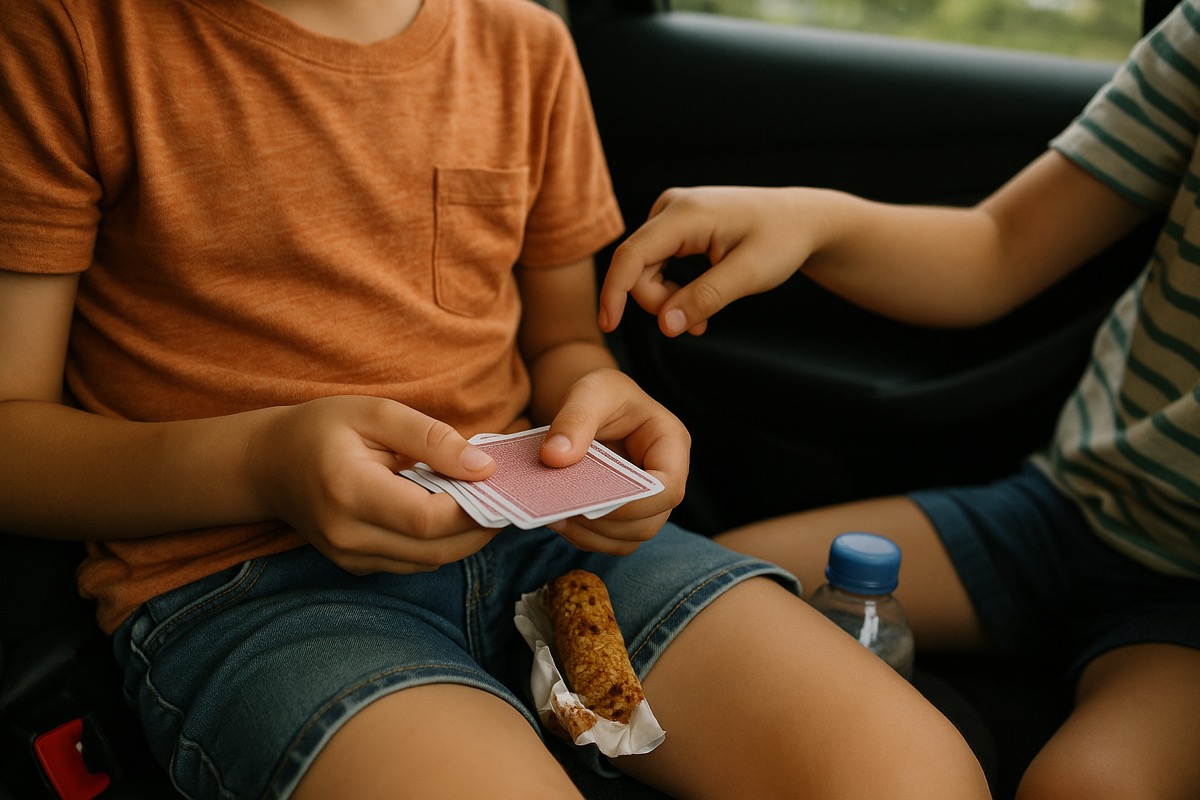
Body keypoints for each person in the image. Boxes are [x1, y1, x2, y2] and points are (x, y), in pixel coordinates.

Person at [0, 0, 992, 798]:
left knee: (915, 772)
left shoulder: (524, 43)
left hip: (546, 542)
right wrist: (263, 463)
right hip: (255, 586)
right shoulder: (69, 34)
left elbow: (562, 340)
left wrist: (603, 398)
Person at [599, 2, 1200, 799]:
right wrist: (810, 220)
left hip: (1186, 592)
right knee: (704, 593)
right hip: (1069, 508)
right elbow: (998, 247)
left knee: (1088, 785)